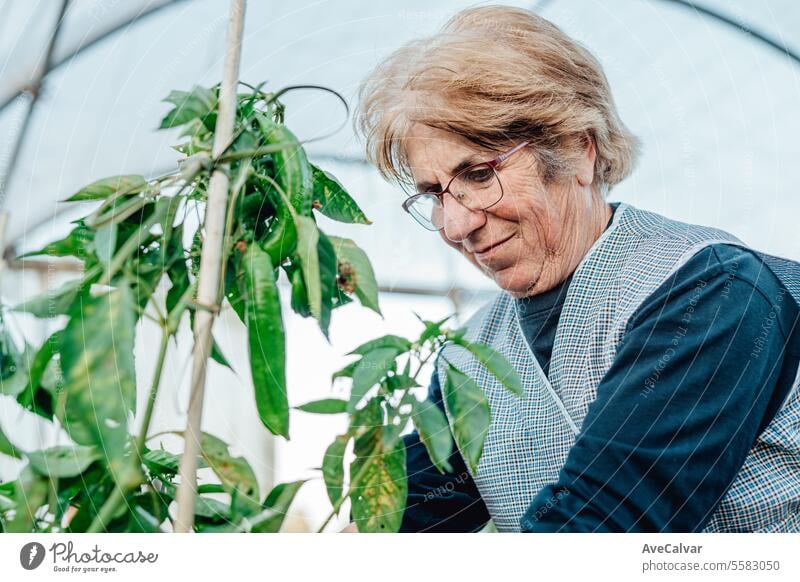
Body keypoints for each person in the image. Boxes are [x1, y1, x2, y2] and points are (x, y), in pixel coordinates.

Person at [346, 5, 800, 532]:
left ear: (578, 151)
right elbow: (400, 520)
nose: (455, 224)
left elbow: (600, 529)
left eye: (477, 172)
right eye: (434, 193)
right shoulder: (471, 359)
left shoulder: (713, 294)